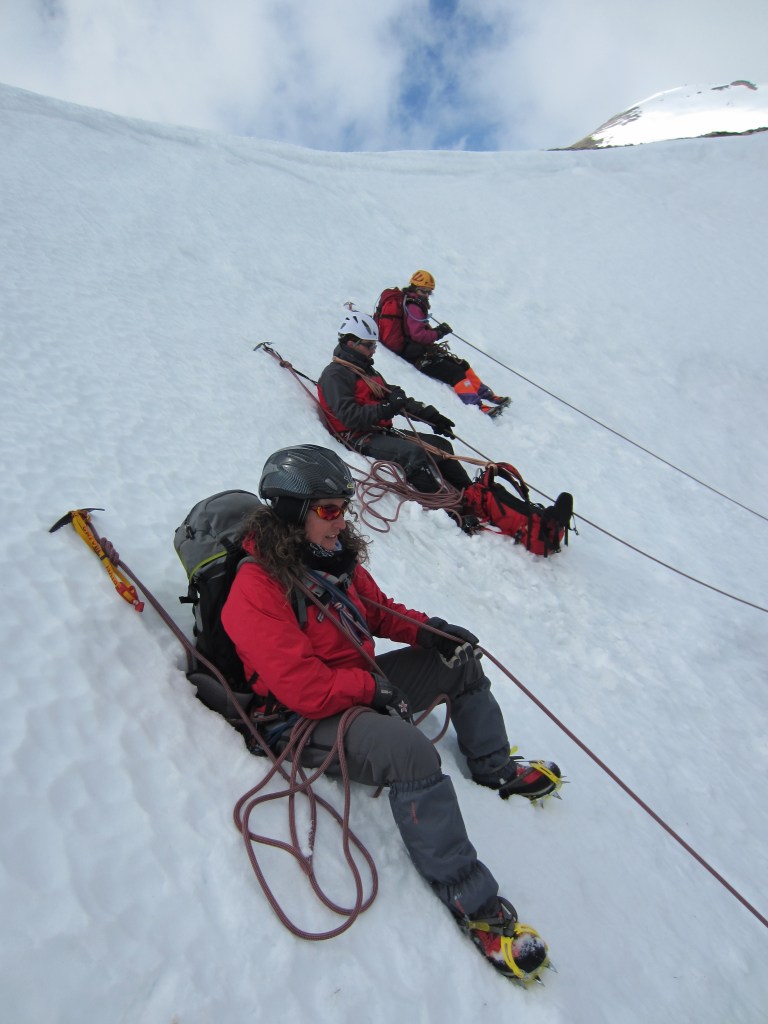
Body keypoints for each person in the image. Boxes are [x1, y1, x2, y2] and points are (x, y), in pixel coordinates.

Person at [220, 443, 561, 980]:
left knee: (458, 663)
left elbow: (378, 612)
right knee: (411, 752)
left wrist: (432, 633)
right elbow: (304, 689)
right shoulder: (255, 588)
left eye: (344, 508)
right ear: (291, 511)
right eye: (329, 510)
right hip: (303, 719)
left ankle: (493, 766)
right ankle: (473, 903)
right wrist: (370, 690)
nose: (341, 521)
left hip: (355, 687)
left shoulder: (330, 559)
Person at [317, 311, 480, 532]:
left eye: (374, 345)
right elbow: (350, 416)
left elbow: (393, 398)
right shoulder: (335, 375)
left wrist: (430, 416)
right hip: (359, 436)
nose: (374, 350)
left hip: (380, 432)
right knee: (414, 455)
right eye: (369, 345)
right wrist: (387, 408)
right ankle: (450, 511)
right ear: (350, 343)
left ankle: (473, 496)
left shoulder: (366, 370)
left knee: (441, 446)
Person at [374, 270, 511, 416]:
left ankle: (487, 395)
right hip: (415, 354)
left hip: (417, 350)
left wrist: (435, 332)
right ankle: (478, 405)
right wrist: (438, 333)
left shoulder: (409, 302)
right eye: (423, 291)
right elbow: (418, 335)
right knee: (456, 372)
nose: (426, 295)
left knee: (461, 364)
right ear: (415, 288)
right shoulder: (414, 306)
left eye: (429, 292)